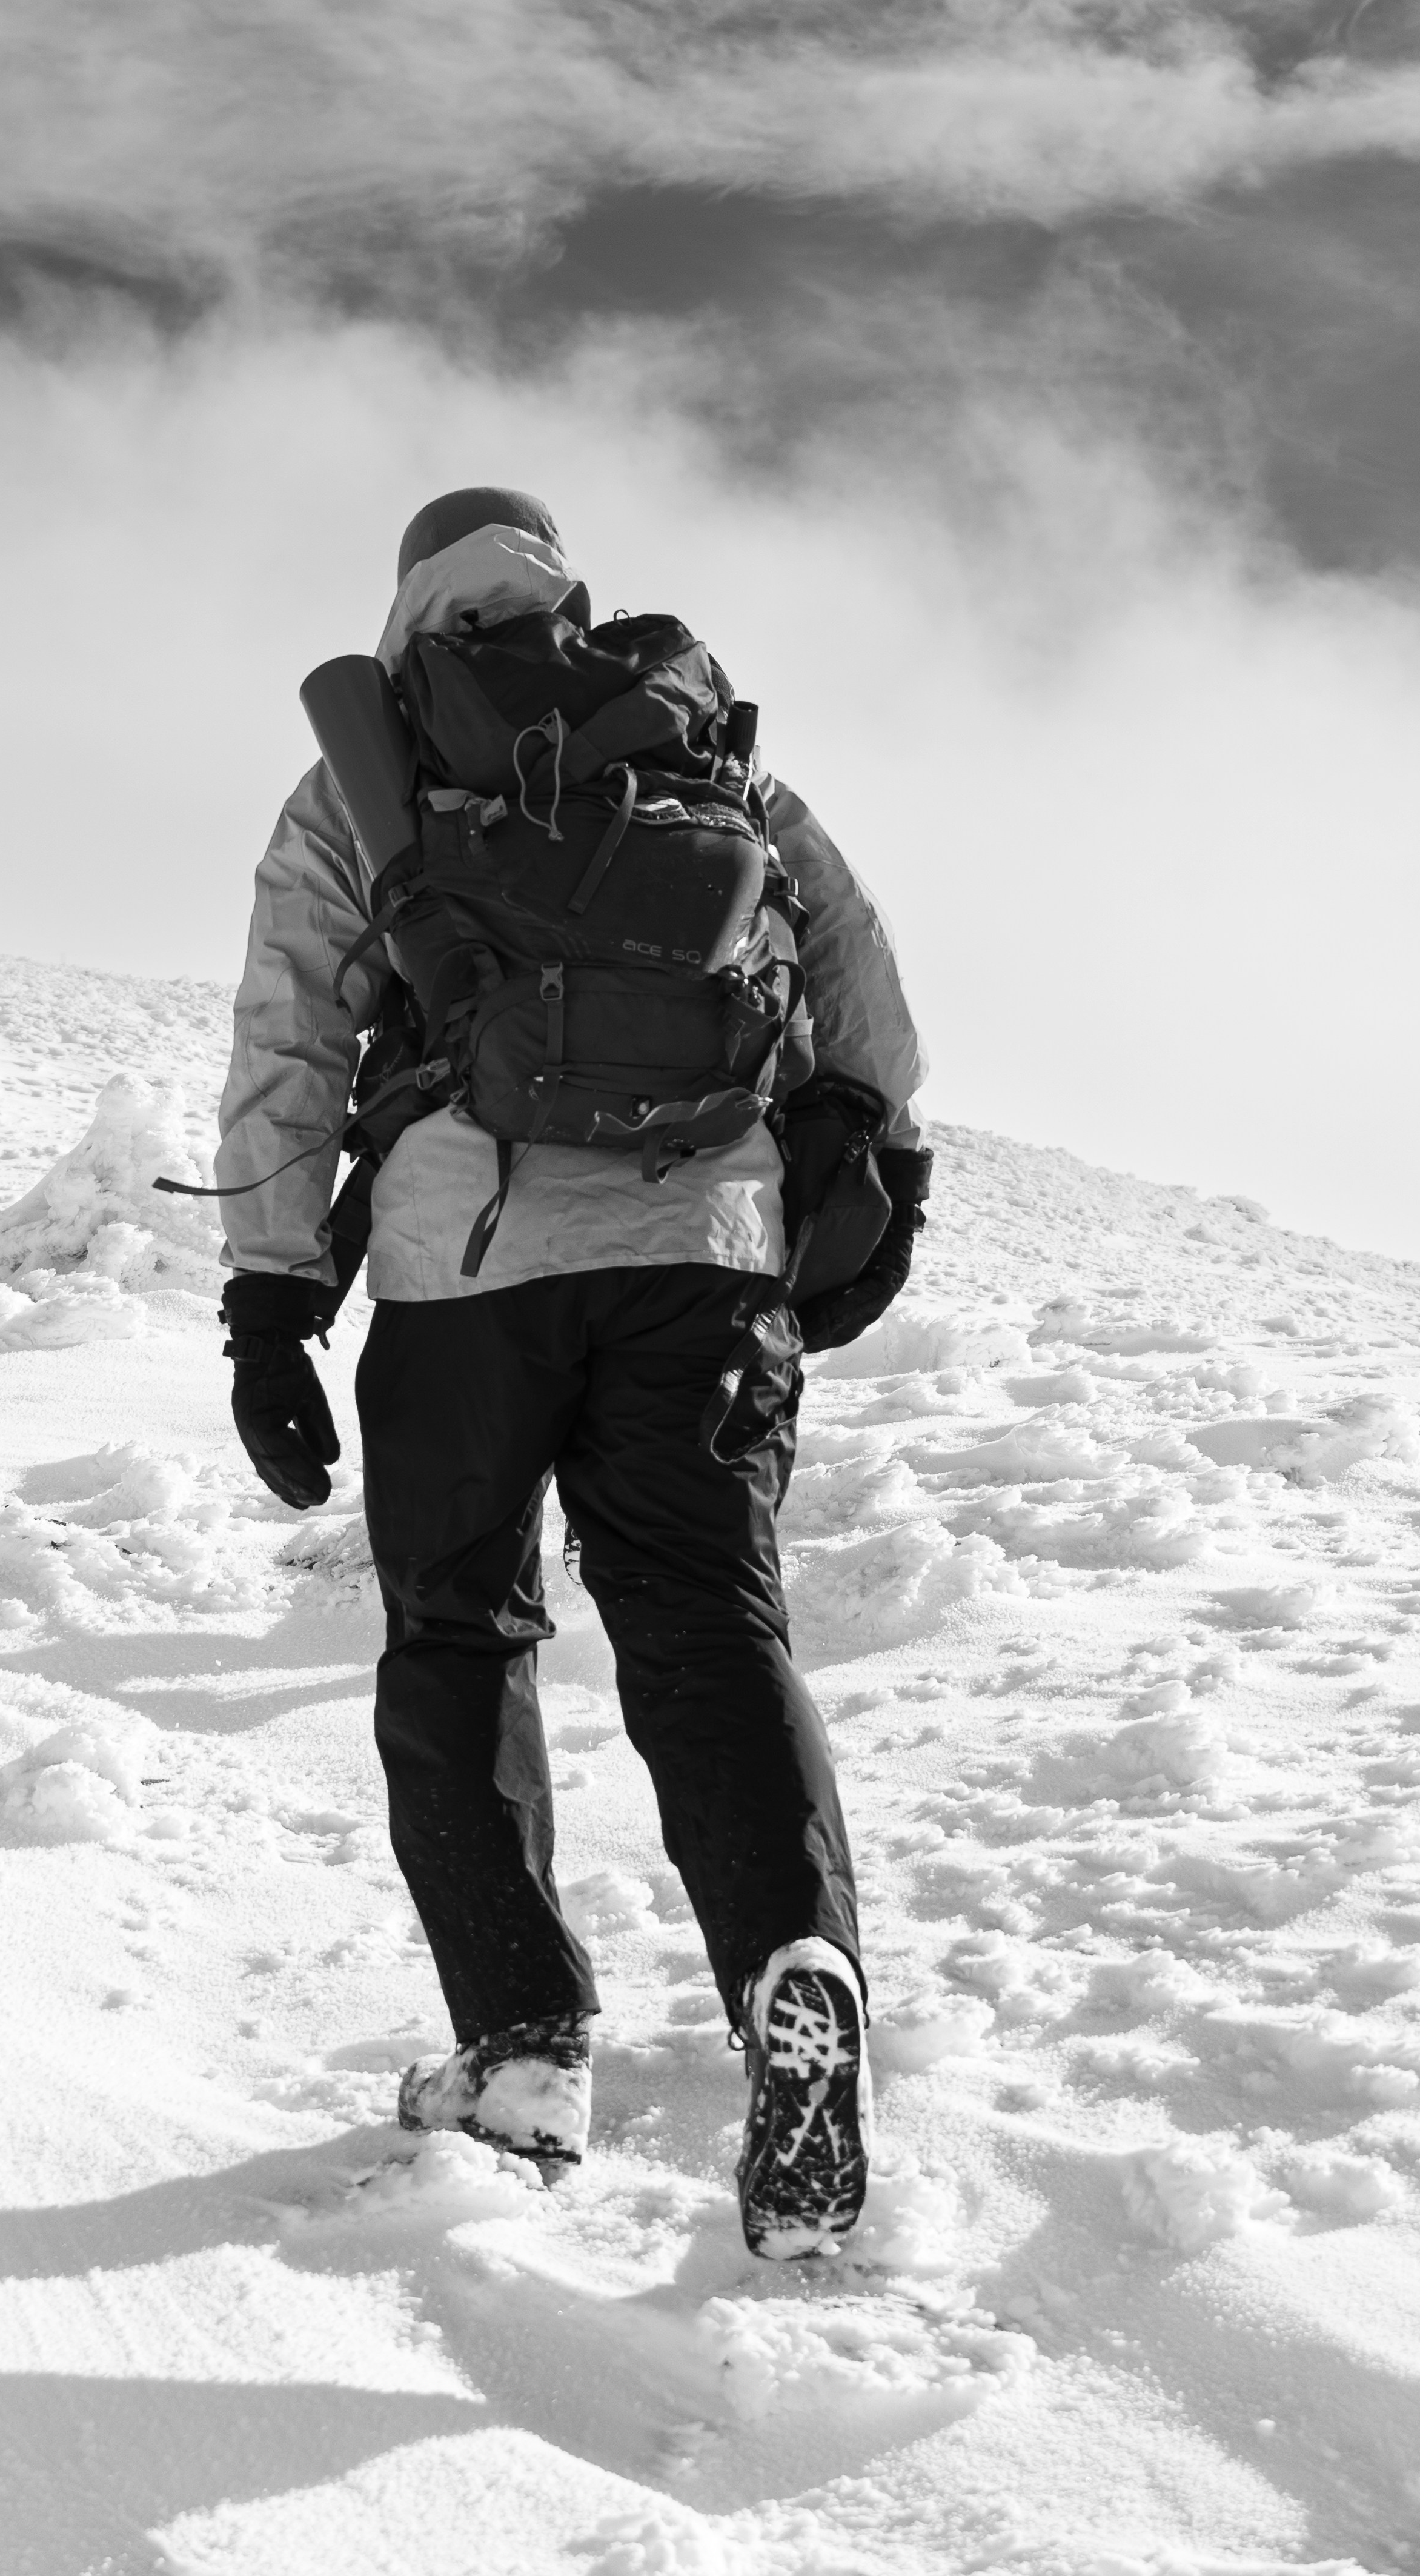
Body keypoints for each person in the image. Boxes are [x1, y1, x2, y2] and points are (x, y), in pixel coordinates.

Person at [214, 487, 929, 2257]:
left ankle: (523, 2042)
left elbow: (294, 1031)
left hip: (464, 1272)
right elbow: (857, 977)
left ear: (412, 600)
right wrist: (879, 1176)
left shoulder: (367, 768)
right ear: (566, 587)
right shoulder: (693, 745)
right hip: (705, 1264)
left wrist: (270, 1299)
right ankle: (794, 1961)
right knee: (710, 1628)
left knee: (460, 1634)